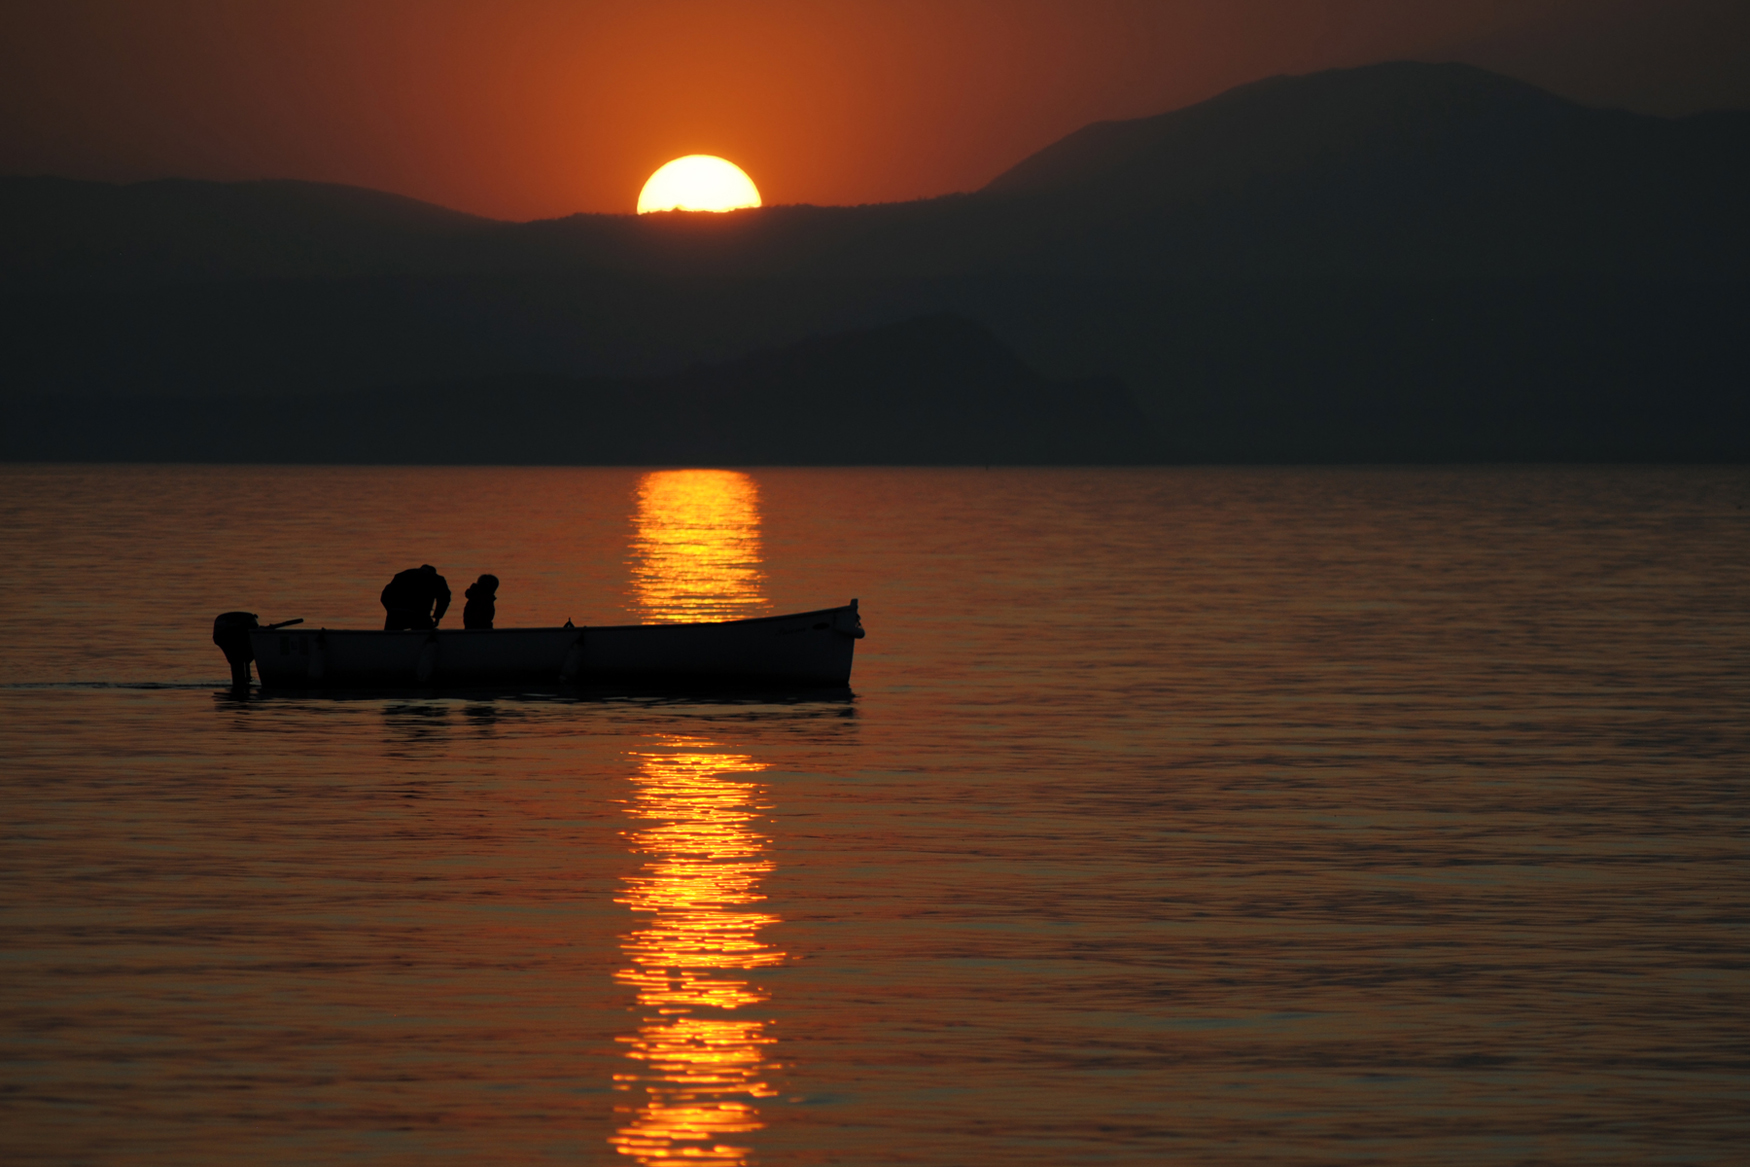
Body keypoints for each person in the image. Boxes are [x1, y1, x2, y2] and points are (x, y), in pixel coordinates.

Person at [380, 564, 451, 631]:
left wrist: (391, 610)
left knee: (390, 637)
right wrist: (437, 617)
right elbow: (444, 598)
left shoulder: (401, 575)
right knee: (425, 636)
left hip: (396, 615)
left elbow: (385, 596)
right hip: (420, 616)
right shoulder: (436, 578)